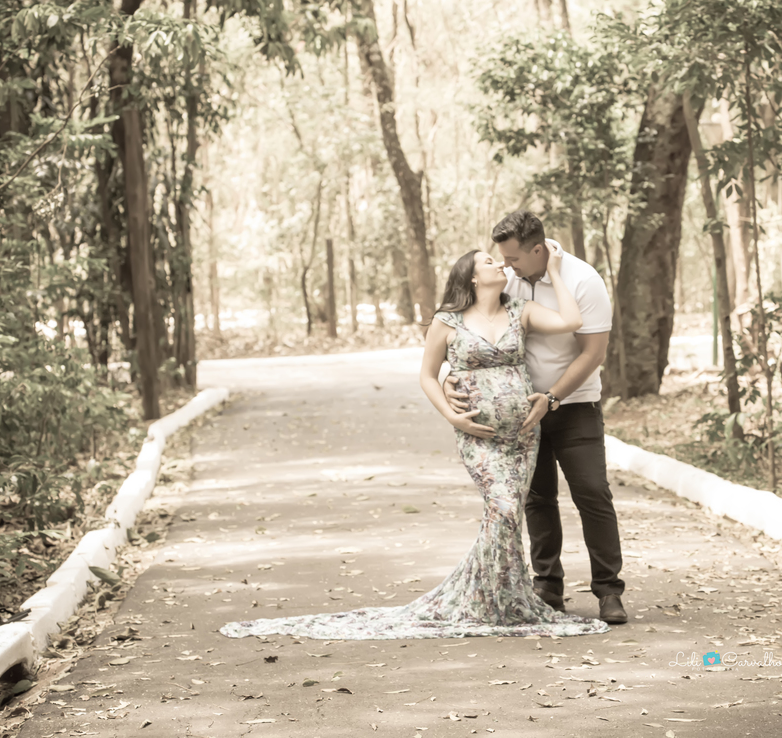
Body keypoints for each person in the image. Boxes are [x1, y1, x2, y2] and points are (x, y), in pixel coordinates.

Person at [219, 247, 608, 641]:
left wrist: (556, 272)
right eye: (488, 261)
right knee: (504, 509)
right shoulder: (447, 321)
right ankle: (488, 597)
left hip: (523, 435)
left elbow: (571, 320)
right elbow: (427, 375)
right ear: (472, 278)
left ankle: (501, 598)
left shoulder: (519, 309)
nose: (499, 264)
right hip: (478, 438)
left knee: (508, 517)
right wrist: (452, 415)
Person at [445, 211, 627, 625]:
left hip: (575, 404)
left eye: (514, 259)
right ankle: (548, 585)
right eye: (501, 259)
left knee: (592, 493)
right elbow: (463, 334)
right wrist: (446, 382)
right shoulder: (502, 279)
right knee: (537, 498)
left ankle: (608, 591)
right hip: (521, 415)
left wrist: (552, 397)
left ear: (539, 249)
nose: (506, 267)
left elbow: (593, 353)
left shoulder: (583, 281)